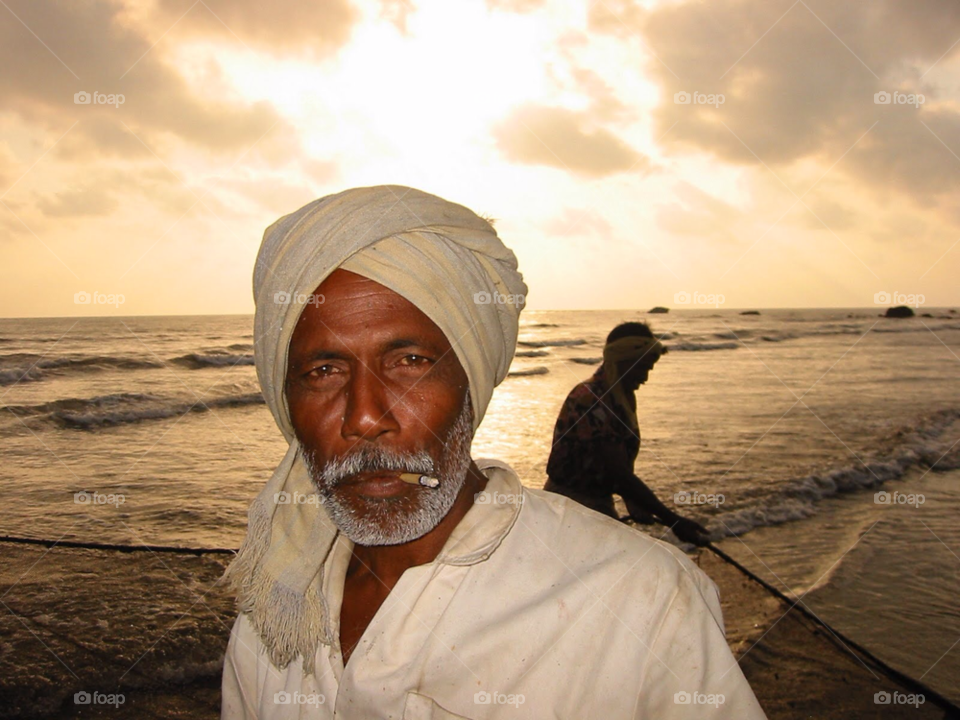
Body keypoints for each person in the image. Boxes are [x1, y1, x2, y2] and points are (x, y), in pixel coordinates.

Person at [221, 185, 766, 719]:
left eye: (409, 361)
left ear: (471, 383)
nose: (365, 416)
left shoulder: (641, 600)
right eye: (323, 371)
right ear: (287, 400)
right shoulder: (273, 611)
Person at [546, 323, 711, 546]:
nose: (645, 377)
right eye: (641, 367)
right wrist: (673, 520)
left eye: (649, 369)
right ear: (621, 360)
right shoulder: (592, 399)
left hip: (598, 502)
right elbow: (619, 474)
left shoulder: (621, 396)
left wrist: (632, 500)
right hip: (570, 507)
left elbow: (616, 467)